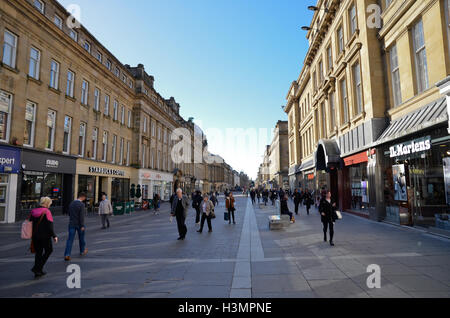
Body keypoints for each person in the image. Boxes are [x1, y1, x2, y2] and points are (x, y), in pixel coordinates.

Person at [30, 197, 58, 278]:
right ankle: (37, 268)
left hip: (35, 236)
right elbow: (50, 226)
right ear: (47, 203)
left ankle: (38, 271)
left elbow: (30, 223)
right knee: (49, 250)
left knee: (38, 253)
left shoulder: (33, 211)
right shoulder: (47, 211)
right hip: (45, 236)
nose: (50, 205)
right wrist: (54, 236)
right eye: (49, 203)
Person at [64, 193, 88, 261]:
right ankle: (82, 251)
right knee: (81, 238)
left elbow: (69, 213)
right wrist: (82, 225)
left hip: (71, 223)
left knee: (70, 240)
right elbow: (81, 216)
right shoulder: (81, 205)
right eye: (84, 198)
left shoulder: (71, 203)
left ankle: (67, 254)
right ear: (82, 197)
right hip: (79, 224)